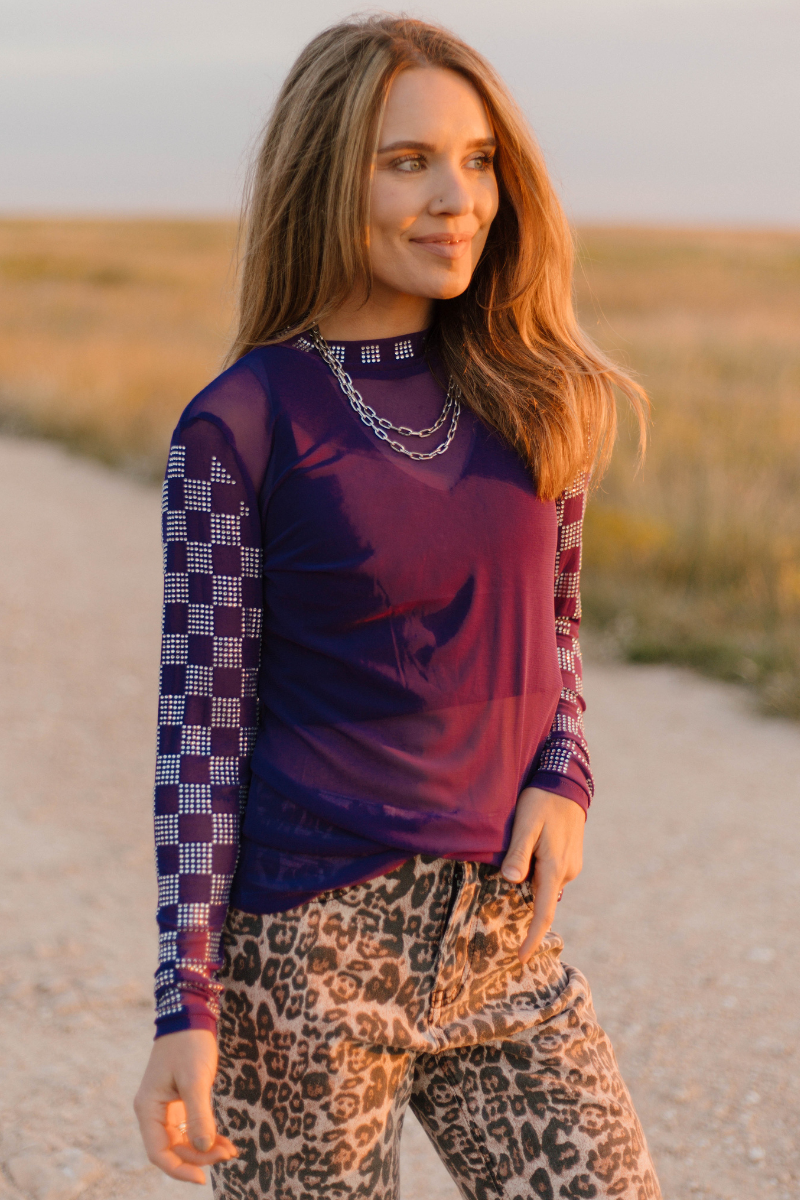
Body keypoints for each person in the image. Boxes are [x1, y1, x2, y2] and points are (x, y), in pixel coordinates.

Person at [134, 15, 660, 1200]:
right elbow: (201, 729)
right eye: (406, 161)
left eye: (476, 161)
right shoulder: (239, 424)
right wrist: (186, 1000)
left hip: (498, 941)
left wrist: (563, 769)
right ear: (328, 178)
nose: (454, 199)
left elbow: (555, 626)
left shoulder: (536, 392)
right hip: (304, 959)